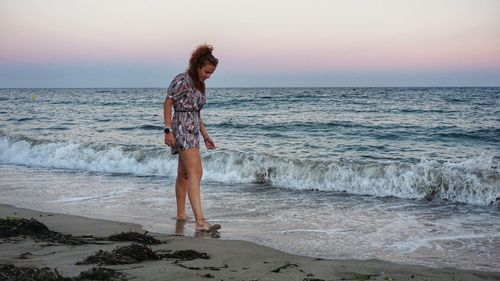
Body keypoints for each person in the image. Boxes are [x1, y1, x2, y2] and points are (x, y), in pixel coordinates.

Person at [163, 44, 219, 232]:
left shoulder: (199, 85)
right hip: (181, 128)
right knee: (197, 172)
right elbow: (168, 102)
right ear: (197, 65)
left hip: (193, 129)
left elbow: (197, 113)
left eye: (211, 73)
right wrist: (167, 130)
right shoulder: (183, 80)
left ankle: (181, 214)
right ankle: (200, 221)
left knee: (185, 174)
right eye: (206, 71)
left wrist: (205, 136)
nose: (208, 76)